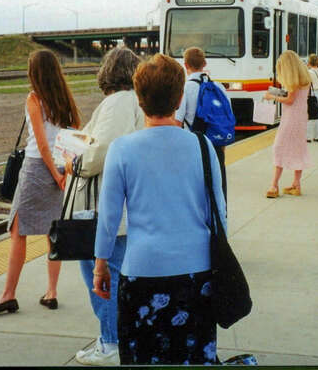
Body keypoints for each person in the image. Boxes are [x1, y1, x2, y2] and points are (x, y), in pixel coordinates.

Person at [93, 53, 227, 365]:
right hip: (197, 272)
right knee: (192, 357)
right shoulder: (202, 146)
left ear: (140, 100)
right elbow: (219, 213)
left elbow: (109, 218)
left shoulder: (122, 149)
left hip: (142, 271)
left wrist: (101, 264)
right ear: (179, 99)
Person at [0, 50, 81, 316]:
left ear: (34, 72)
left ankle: (8, 295)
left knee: (18, 231)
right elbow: (75, 134)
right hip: (60, 166)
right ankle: (52, 292)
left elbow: (40, 142)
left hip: (37, 169)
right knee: (53, 233)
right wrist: (64, 171)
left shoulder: (34, 98)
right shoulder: (65, 99)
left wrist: (55, 174)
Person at [66, 48, 145, 366]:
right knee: (115, 274)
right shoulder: (134, 102)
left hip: (100, 206)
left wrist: (74, 161)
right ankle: (115, 339)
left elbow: (101, 151)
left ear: (108, 71)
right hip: (120, 205)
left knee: (103, 276)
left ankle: (111, 343)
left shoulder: (118, 102)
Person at [174, 46, 229, 200]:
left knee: (195, 194)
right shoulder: (219, 87)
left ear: (186, 65)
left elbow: (177, 123)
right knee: (218, 191)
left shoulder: (185, 89)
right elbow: (226, 119)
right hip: (216, 146)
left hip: (193, 146)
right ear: (204, 64)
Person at [264, 50, 312, 197]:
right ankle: (296, 185)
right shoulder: (305, 78)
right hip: (301, 117)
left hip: (291, 118)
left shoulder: (293, 81)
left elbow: (290, 100)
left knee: (278, 147)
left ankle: (274, 186)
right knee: (298, 149)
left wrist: (272, 96)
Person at [306, 53, 318, 143]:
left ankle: (308, 137)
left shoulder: (309, 72)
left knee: (309, 115)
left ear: (309, 62)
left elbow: (307, 85)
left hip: (311, 93)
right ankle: (317, 136)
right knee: (317, 114)